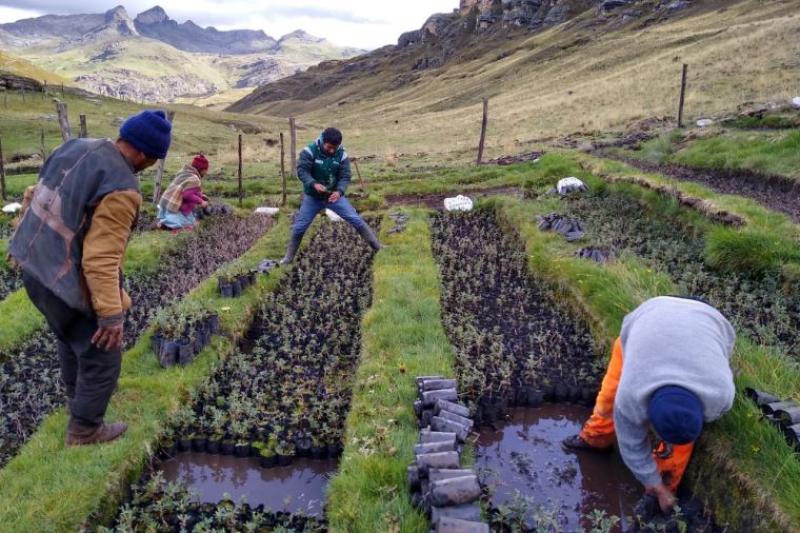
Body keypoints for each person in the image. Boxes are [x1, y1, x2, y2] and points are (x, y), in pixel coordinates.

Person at [10, 110, 172, 446]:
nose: (150, 165)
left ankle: (77, 402)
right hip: (60, 278)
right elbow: (101, 259)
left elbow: (34, 193)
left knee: (71, 338)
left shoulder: (74, 147)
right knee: (103, 353)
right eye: (153, 159)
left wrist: (19, 242)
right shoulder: (122, 188)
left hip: (34, 269)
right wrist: (111, 316)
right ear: (142, 153)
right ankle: (85, 430)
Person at [561, 296, 736, 513]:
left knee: (680, 438)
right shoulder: (631, 395)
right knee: (609, 397)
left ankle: (663, 487)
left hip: (707, 318)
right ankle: (596, 438)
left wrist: (658, 485)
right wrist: (647, 477)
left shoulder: (721, 396)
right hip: (650, 317)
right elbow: (631, 443)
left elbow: (725, 344)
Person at [280, 127, 381, 264]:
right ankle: (288, 258)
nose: (332, 150)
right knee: (299, 228)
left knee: (356, 220)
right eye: (329, 147)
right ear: (322, 141)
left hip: (334, 197)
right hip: (312, 198)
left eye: (335, 147)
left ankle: (378, 248)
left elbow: (345, 176)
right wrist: (313, 183)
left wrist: (339, 192)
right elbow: (302, 171)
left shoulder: (342, 154)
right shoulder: (309, 151)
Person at [156, 154, 210, 231]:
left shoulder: (185, 173)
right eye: (205, 170)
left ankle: (163, 222)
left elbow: (187, 189)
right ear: (201, 169)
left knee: (190, 218)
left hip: (166, 203)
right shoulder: (195, 179)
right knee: (191, 223)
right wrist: (201, 202)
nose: (206, 173)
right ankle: (165, 224)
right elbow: (187, 194)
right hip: (173, 205)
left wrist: (200, 195)